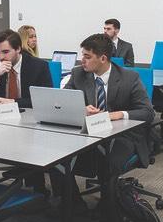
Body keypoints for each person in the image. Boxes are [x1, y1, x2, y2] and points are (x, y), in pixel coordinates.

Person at [52, 33, 154, 209]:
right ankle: (73, 205)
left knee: (107, 163)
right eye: (82, 55)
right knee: (55, 157)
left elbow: (147, 112)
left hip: (123, 136)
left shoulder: (129, 78)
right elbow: (64, 102)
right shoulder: (78, 74)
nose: (82, 60)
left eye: (87, 56)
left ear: (103, 58)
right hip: (88, 134)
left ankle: (109, 209)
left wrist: (120, 114)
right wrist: (81, 109)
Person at [0, 29, 52, 108]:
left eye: (5, 52)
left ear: (18, 49)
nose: (0, 57)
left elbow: (45, 99)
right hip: (1, 113)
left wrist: (13, 102)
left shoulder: (39, 66)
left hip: (28, 113)